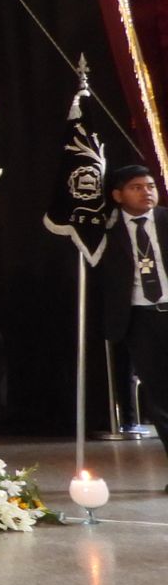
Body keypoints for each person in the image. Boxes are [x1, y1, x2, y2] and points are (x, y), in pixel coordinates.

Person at [99, 164, 168, 435]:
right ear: (118, 195)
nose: (146, 193)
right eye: (136, 188)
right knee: (159, 396)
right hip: (139, 317)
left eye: (150, 186)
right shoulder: (108, 230)